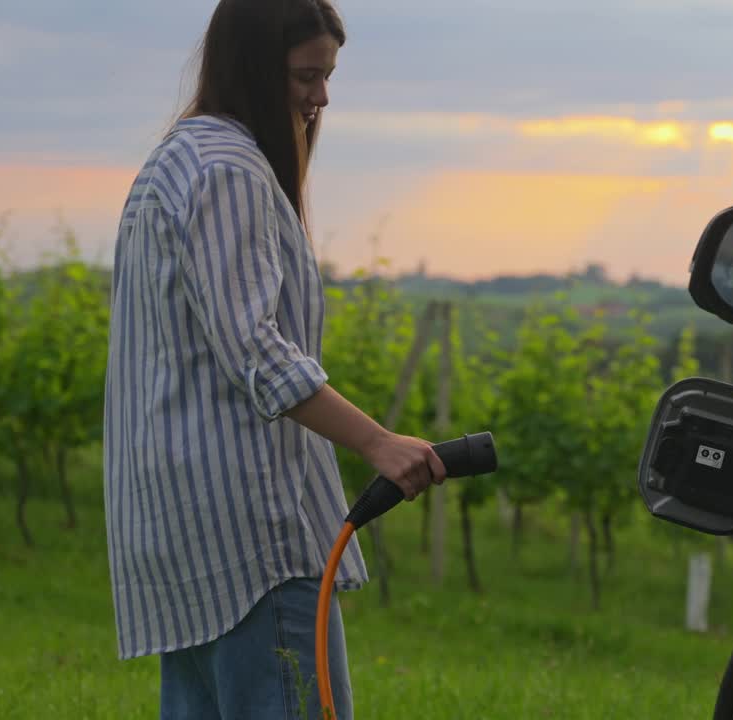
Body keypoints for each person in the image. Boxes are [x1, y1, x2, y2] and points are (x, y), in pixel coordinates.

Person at [101, 2, 446, 718]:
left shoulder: (175, 160)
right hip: (248, 539)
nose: (321, 98)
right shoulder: (228, 171)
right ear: (253, 67)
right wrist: (379, 443)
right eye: (306, 77)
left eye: (327, 77)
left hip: (181, 533)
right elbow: (257, 351)